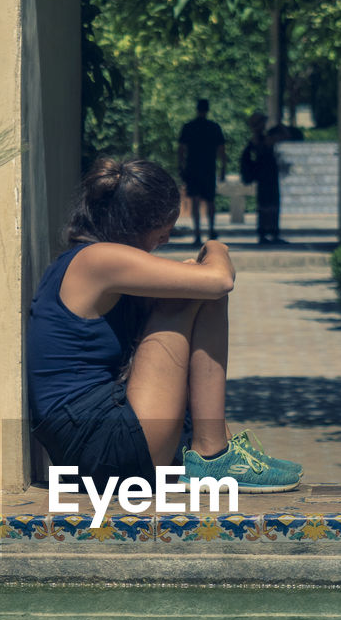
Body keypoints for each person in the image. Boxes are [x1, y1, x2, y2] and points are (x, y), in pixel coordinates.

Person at [27, 157, 304, 494]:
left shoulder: (90, 262)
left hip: (94, 445)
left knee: (190, 288)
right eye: (164, 230)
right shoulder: (98, 260)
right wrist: (215, 246)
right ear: (142, 223)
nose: (167, 238)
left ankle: (220, 449)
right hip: (101, 447)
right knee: (200, 292)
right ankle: (212, 455)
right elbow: (219, 279)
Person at [177, 98, 226, 245]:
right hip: (208, 168)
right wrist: (222, 168)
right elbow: (222, 151)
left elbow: (181, 149)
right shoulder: (214, 127)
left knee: (196, 201)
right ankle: (211, 230)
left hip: (193, 167)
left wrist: (180, 166)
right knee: (210, 200)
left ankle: (197, 233)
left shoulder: (189, 127)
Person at [239, 112, 288, 245]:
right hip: (265, 176)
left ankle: (270, 231)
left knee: (270, 204)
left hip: (268, 175)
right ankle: (267, 232)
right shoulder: (258, 139)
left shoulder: (263, 137)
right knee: (267, 204)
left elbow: (284, 134)